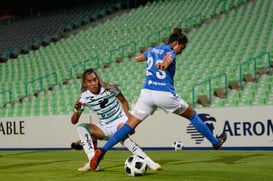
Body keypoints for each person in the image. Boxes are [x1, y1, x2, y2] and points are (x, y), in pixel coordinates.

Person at [90, 28, 227, 171]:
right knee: (192, 115)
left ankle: (103, 151)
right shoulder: (171, 52)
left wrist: (150, 58)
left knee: (128, 126)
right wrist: (164, 65)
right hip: (164, 93)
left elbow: (138, 58)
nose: (181, 51)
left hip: (146, 94)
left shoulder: (153, 50)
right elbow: (169, 58)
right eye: (182, 47)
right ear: (175, 43)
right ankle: (215, 142)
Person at [71, 68, 161, 171]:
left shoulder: (109, 87)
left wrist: (129, 119)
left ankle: (150, 162)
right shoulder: (83, 98)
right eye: (90, 81)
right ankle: (93, 161)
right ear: (85, 83)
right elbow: (74, 121)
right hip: (104, 127)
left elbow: (124, 101)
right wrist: (76, 110)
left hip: (120, 121)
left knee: (122, 134)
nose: (94, 83)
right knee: (81, 128)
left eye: (95, 79)